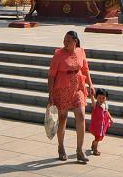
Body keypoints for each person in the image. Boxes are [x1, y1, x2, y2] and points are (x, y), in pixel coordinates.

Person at [47, 30, 95, 163]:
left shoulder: (81, 51)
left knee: (80, 115)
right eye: (64, 40)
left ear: (75, 41)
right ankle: (61, 147)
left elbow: (85, 69)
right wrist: (50, 94)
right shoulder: (58, 54)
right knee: (62, 119)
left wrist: (90, 84)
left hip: (78, 87)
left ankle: (80, 150)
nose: (65, 43)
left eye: (68, 40)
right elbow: (51, 75)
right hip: (62, 88)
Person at [89, 88, 113, 156]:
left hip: (103, 124)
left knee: (100, 137)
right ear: (96, 97)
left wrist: (110, 118)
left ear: (106, 98)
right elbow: (93, 100)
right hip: (97, 125)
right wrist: (91, 95)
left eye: (103, 98)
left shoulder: (105, 105)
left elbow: (107, 112)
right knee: (98, 137)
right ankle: (95, 149)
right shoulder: (95, 105)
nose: (101, 99)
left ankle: (93, 144)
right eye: (99, 98)